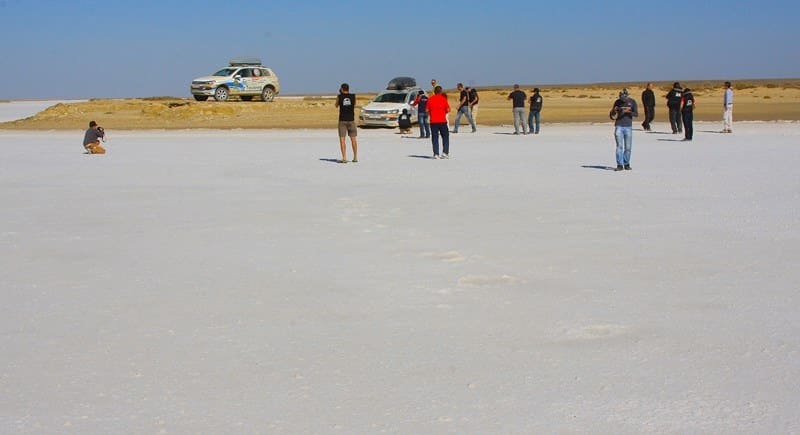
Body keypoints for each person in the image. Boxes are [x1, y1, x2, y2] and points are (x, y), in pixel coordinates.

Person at [609, 89, 638, 171]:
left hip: (628, 126)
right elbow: (612, 115)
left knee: (628, 147)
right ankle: (619, 164)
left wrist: (627, 111)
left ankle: (626, 163)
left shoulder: (632, 102)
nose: (622, 100)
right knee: (619, 146)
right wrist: (614, 111)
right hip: (619, 126)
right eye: (621, 97)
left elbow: (636, 114)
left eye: (624, 97)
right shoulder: (617, 102)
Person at [335, 83, 358, 163]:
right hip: (351, 120)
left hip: (342, 120)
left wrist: (340, 96)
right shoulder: (353, 96)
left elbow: (336, 105)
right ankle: (355, 157)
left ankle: (344, 157)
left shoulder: (339, 96)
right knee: (353, 139)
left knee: (342, 139)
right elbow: (354, 104)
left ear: (342, 89)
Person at [427, 85, 451, 159]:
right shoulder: (443, 99)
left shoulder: (430, 99)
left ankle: (436, 154)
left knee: (435, 137)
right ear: (441, 91)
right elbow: (448, 109)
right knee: (445, 136)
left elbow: (426, 110)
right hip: (442, 121)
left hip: (433, 121)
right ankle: (445, 153)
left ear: (434, 92)